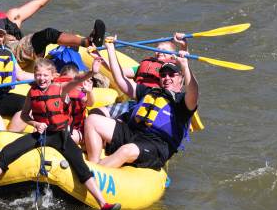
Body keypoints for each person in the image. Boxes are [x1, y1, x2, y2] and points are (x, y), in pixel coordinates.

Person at [0, 58, 121, 210]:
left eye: (44, 75)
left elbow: (78, 79)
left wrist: (92, 71)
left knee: (79, 164)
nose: (41, 79)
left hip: (61, 136)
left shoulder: (61, 88)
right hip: (41, 134)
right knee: (9, 151)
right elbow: (24, 115)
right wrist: (35, 123)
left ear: (52, 76)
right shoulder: (32, 92)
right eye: (38, 75)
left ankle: (103, 204)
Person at [83, 28, 199, 169]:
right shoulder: (149, 91)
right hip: (133, 132)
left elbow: (193, 90)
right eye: (163, 75)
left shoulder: (182, 102)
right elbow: (120, 79)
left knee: (127, 150)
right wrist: (111, 50)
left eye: (171, 75)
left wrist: (185, 66)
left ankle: (92, 172)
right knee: (92, 120)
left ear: (181, 80)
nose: (166, 78)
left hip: (156, 144)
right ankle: (93, 163)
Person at [89, 40, 177, 119]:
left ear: (173, 56)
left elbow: (184, 68)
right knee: (95, 113)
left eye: (163, 50)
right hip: (134, 101)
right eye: (157, 49)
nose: (159, 52)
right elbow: (119, 71)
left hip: (151, 105)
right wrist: (99, 56)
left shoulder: (171, 72)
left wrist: (184, 47)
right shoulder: (143, 66)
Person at [57, 64, 95, 144]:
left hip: (77, 130)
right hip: (61, 126)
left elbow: (90, 103)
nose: (69, 85)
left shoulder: (79, 94)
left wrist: (89, 92)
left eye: (72, 82)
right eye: (66, 81)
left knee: (66, 135)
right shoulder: (55, 91)